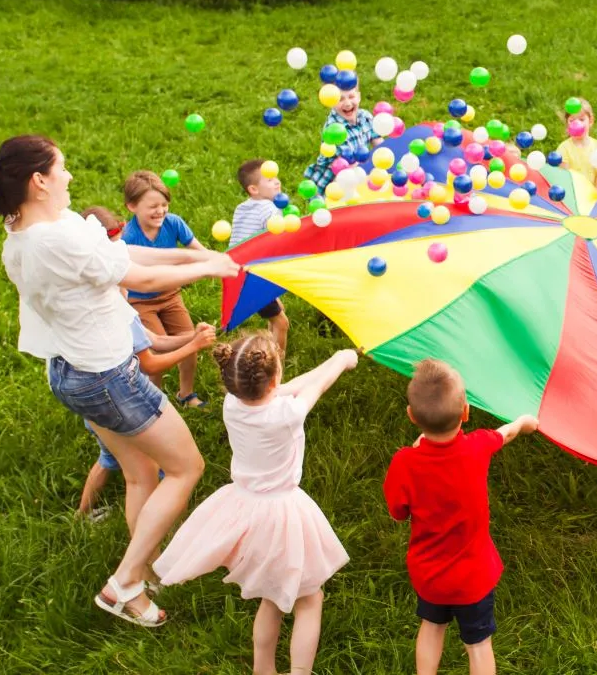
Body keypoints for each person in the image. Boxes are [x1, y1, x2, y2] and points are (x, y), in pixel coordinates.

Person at [0, 135, 239, 627]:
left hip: (71, 371)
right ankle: (124, 583)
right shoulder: (56, 240)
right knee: (185, 467)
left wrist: (196, 260)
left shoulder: (27, 229)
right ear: (39, 180)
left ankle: (144, 573)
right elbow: (137, 277)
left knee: (140, 474)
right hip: (107, 376)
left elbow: (126, 255)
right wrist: (209, 268)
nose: (69, 176)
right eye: (62, 169)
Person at [153, 335, 356, 675]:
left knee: (272, 597)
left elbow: (290, 387)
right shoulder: (286, 414)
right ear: (273, 380)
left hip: (245, 509)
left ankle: (263, 670)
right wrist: (341, 359)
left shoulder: (232, 404)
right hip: (281, 515)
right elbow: (313, 389)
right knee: (310, 598)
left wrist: (335, 359)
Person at [384, 359, 540, 675]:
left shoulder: (405, 462)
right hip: (474, 578)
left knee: (431, 627)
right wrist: (523, 422)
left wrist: (416, 452)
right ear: (466, 412)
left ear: (411, 416)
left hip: (430, 575)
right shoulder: (477, 447)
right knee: (479, 645)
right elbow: (504, 433)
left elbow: (397, 512)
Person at [78, 316, 217, 520]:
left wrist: (193, 337)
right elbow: (150, 365)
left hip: (99, 404)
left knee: (108, 458)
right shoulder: (114, 315)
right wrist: (193, 345)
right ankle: (168, 523)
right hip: (124, 404)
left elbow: (156, 341)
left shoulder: (111, 310)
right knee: (158, 470)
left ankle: (82, 514)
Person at [122, 170, 208, 408]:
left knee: (189, 343)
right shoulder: (128, 237)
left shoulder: (173, 223)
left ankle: (186, 394)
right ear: (132, 206)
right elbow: (130, 278)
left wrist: (217, 261)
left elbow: (198, 250)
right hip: (140, 303)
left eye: (164, 204)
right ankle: (155, 403)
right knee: (156, 355)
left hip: (170, 296)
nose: (160, 211)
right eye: (152, 206)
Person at [229, 159, 290, 353]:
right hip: (254, 276)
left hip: (239, 270)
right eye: (270, 179)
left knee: (277, 310)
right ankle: (276, 365)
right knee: (282, 322)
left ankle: (269, 349)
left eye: (276, 177)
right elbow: (279, 240)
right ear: (254, 189)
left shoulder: (242, 208)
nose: (277, 182)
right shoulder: (270, 209)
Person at [304, 85, 376, 193]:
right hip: (333, 182)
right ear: (331, 102)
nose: (347, 103)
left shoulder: (365, 116)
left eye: (351, 97)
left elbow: (380, 145)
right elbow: (349, 165)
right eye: (340, 99)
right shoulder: (334, 129)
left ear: (359, 96)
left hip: (358, 170)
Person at [555, 98, 597, 193]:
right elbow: (565, 182)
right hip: (572, 198)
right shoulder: (563, 149)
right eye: (572, 120)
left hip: (593, 198)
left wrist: (596, 202)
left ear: (591, 121)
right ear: (567, 123)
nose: (577, 124)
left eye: (581, 119)